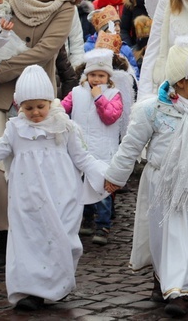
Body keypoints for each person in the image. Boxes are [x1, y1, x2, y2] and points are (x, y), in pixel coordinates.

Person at [104, 42, 188, 318]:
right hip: (160, 183)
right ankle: (162, 279)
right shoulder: (152, 110)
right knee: (163, 235)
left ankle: (179, 290)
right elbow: (131, 145)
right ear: (181, 80)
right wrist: (116, 176)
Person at [0, 0, 79, 268]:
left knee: (38, 172)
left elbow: (46, 49)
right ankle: (6, 234)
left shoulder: (65, 5)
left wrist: (5, 69)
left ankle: (41, 237)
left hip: (36, 94)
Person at [0, 65, 107, 311]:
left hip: (62, 194)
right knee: (29, 240)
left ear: (50, 101)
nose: (34, 113)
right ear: (19, 105)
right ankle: (31, 290)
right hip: (26, 198)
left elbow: (83, 157)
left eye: (40, 106)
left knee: (61, 238)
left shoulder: (65, 127)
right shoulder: (14, 130)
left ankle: (58, 283)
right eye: (28, 107)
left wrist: (106, 175)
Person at [61, 49, 123, 246]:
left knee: (101, 187)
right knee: (82, 185)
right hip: (81, 147)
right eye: (93, 75)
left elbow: (111, 116)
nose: (96, 79)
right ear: (87, 75)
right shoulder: (77, 93)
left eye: (101, 75)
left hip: (103, 148)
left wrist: (99, 98)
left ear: (108, 77)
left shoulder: (114, 94)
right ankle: (86, 218)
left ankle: (103, 224)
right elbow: (63, 109)